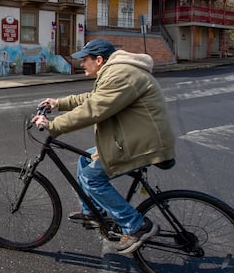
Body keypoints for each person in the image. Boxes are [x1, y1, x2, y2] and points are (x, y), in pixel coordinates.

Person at [31, 39, 176, 254]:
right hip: (134, 138)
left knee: (92, 177)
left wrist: (53, 126)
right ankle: (92, 211)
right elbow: (93, 98)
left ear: (99, 60)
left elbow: (94, 110)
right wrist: (58, 103)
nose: (82, 64)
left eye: (85, 59)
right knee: (85, 159)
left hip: (143, 144)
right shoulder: (115, 72)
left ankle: (137, 226)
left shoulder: (121, 74)